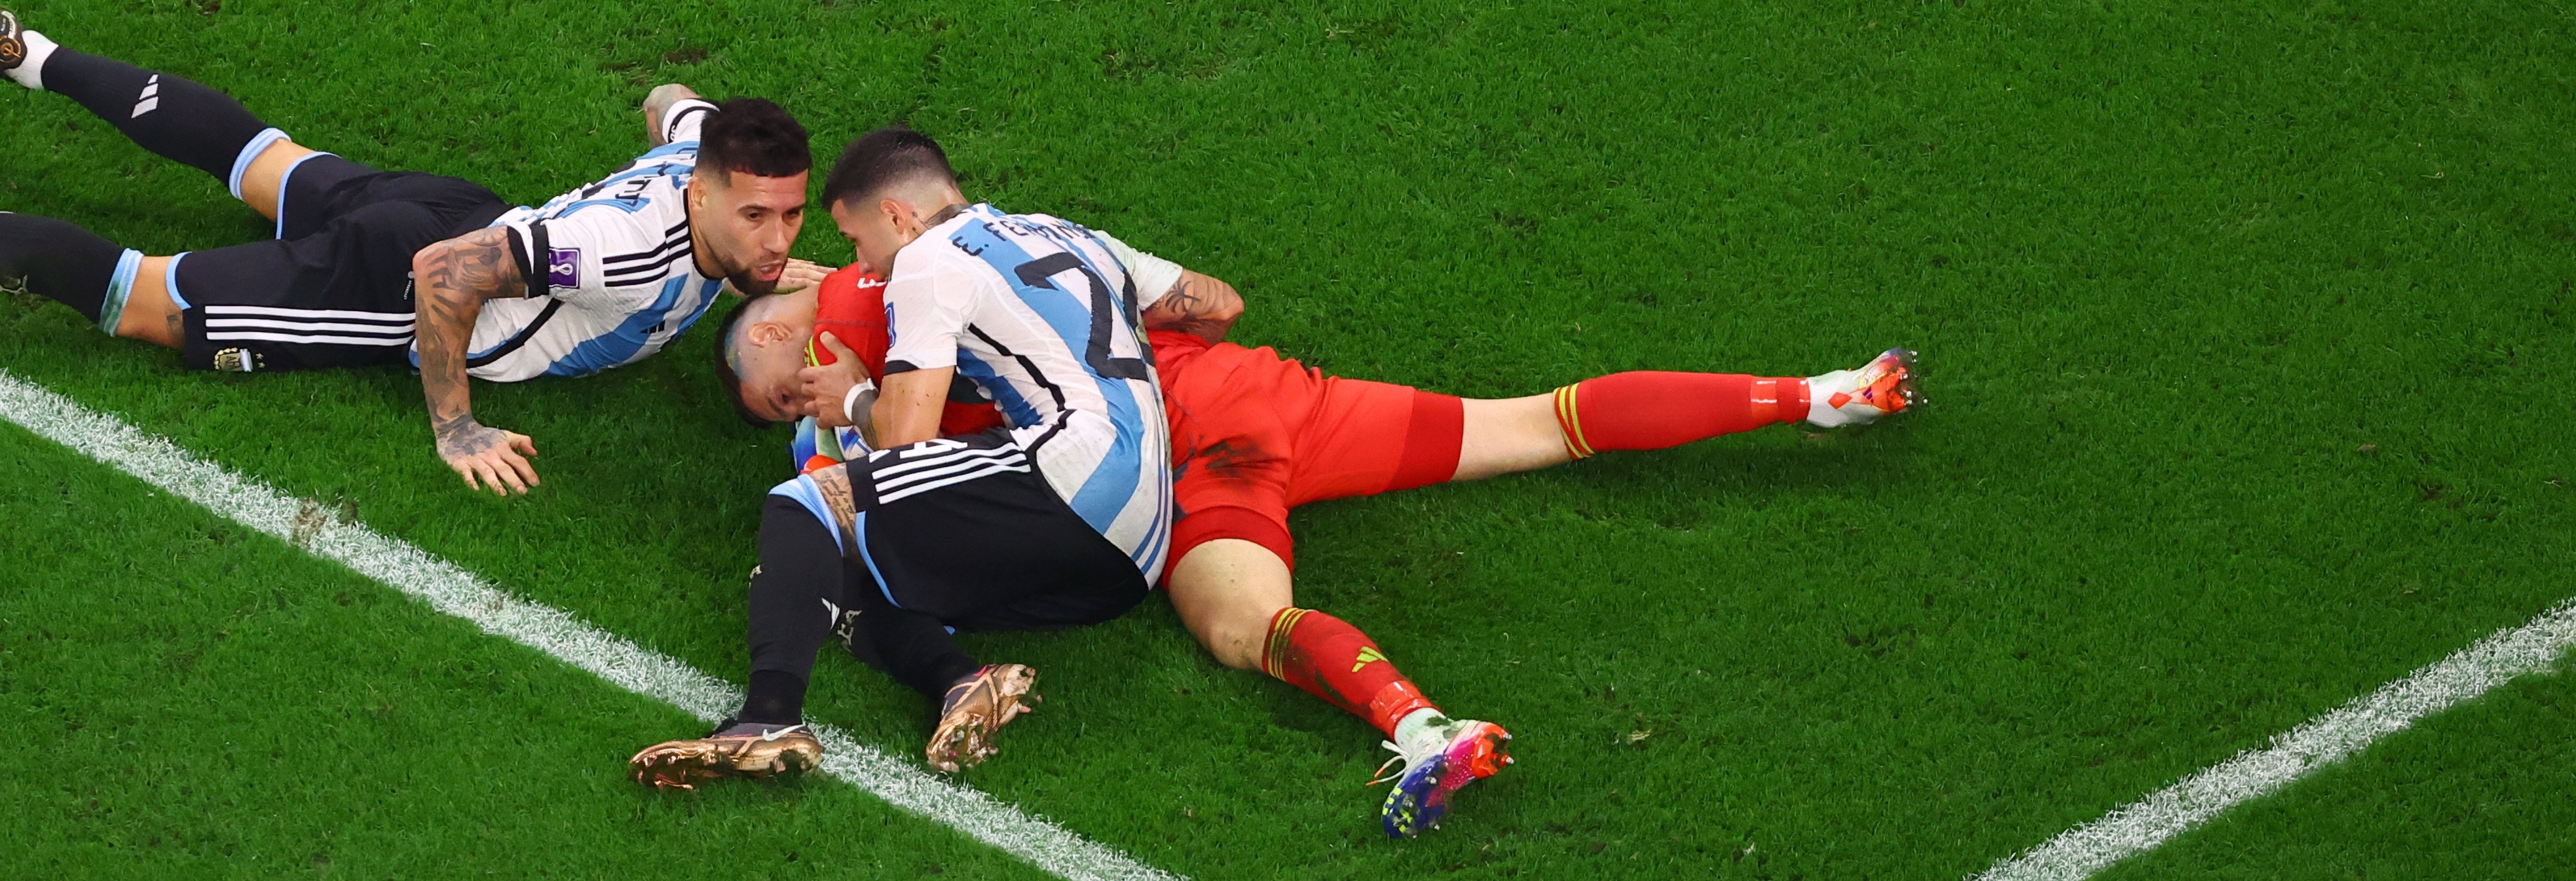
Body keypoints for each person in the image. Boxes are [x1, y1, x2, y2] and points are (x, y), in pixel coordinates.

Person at [736, 259, 1920, 836]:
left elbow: (895, 439)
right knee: (1535, 421)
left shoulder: (900, 379)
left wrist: (831, 422)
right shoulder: (994, 265)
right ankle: (1821, 391)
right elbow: (1197, 301)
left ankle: (1420, 725)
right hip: (1265, 395)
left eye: (797, 370)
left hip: (1197, 469)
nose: (804, 390)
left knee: (1241, 627)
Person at [0, 7, 817, 493]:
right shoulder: (620, 252)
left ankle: (26, 54)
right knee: (141, 299)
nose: (776, 238)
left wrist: (757, 243)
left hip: (453, 203)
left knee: (261, 157)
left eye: (791, 217)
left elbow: (669, 98)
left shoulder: (696, 155)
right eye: (756, 217)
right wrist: (455, 423)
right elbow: (447, 280)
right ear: (710, 193)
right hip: (409, 280)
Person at [628, 128, 1236, 788]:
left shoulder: (925, 258)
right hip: (1135, 548)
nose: (866, 264)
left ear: (895, 215)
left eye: (858, 242)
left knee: (807, 503)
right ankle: (959, 680)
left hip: (1073, 477)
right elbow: (1217, 306)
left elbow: (906, 441)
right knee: (833, 565)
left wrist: (856, 396)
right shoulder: (1066, 232)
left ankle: (767, 715)